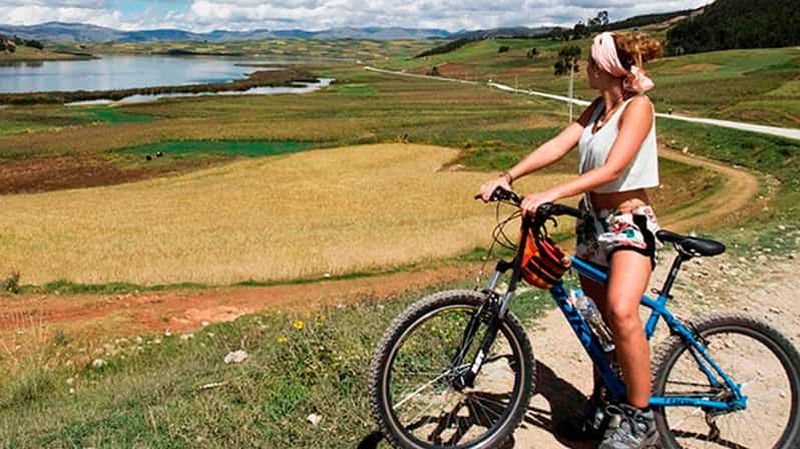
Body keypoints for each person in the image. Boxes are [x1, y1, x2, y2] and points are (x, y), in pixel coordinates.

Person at [479, 31, 663, 449]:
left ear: (608, 68)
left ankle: (641, 418)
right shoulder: (597, 108)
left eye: (591, 61)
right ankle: (610, 403)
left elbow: (614, 168)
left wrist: (551, 193)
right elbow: (558, 145)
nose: (586, 67)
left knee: (621, 311)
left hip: (628, 222)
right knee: (600, 323)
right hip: (592, 223)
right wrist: (509, 176)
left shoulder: (639, 108)